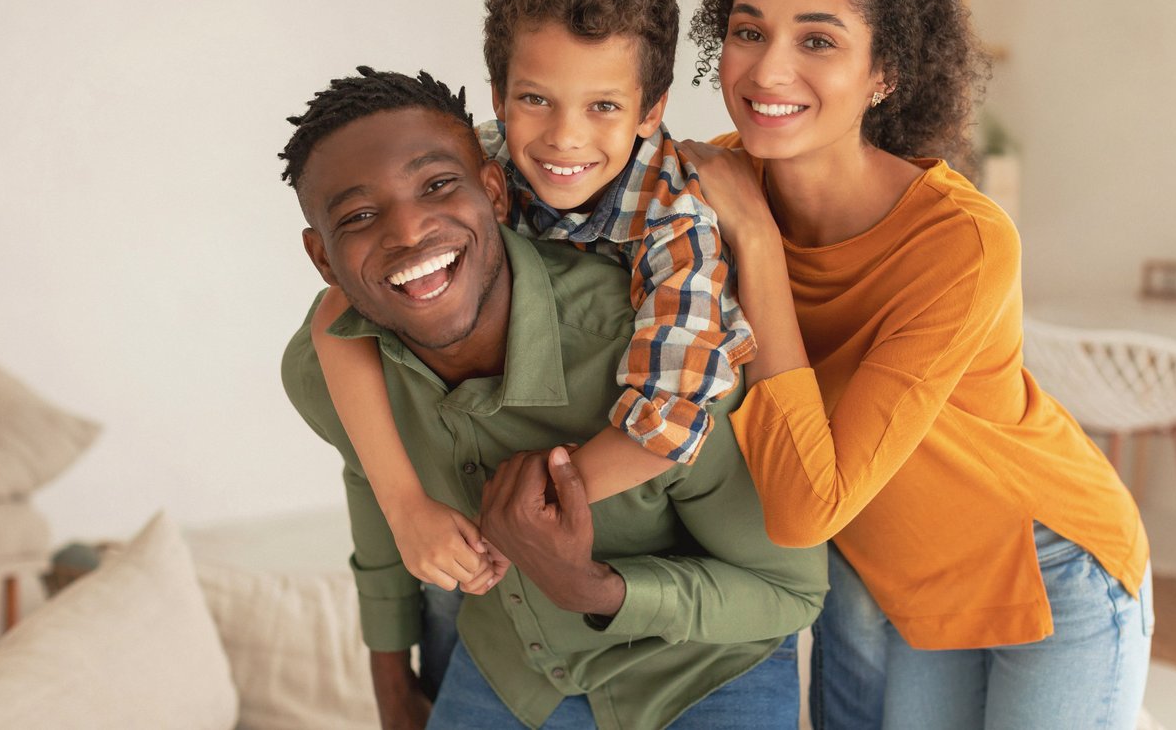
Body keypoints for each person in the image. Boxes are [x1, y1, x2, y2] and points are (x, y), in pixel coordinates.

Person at [678, 0, 1153, 730]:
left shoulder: (960, 242)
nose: (766, 71)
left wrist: (757, 242)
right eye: (749, 31)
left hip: (1047, 566)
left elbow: (805, 506)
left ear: (884, 73)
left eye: (817, 41)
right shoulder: (715, 179)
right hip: (894, 578)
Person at [278, 66, 826, 729]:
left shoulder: (664, 361)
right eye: (360, 216)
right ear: (323, 259)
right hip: (514, 668)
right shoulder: (328, 372)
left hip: (703, 668)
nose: (408, 231)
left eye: (437, 185)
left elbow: (790, 592)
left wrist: (590, 588)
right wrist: (391, 684)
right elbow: (371, 478)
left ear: (493, 192)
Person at [307, 0, 755, 597]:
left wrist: (519, 519)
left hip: (657, 535)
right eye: (536, 100)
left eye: (603, 106)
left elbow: (667, 421)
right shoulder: (473, 170)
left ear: (651, 111)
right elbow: (336, 315)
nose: (564, 137)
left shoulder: (679, 228)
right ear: (498, 96)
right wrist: (405, 506)